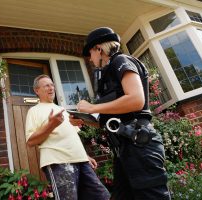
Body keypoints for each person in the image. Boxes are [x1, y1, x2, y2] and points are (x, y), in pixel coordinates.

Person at [71, 27, 171, 200]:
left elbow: (136, 100)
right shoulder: (107, 76)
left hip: (140, 145)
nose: (91, 59)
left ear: (99, 49)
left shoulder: (121, 60)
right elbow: (111, 119)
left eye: (90, 54)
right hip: (123, 151)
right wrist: (84, 120)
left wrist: (92, 108)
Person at [25, 74, 110, 200]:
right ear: (36, 90)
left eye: (52, 85)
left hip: (81, 161)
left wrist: (85, 156)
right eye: (46, 85)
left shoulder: (62, 109)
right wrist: (51, 125)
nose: (51, 88)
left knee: (102, 197)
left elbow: (72, 136)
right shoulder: (34, 111)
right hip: (58, 161)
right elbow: (31, 141)